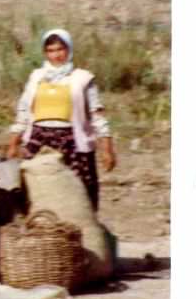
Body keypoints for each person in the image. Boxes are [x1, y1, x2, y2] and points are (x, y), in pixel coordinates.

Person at [6, 28, 117, 210]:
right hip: (38, 140)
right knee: (33, 191)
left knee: (79, 192)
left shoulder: (83, 78)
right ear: (45, 53)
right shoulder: (36, 77)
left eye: (60, 49)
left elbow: (97, 116)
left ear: (69, 50)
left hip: (72, 141)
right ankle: (43, 234)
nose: (56, 55)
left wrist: (107, 149)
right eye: (50, 50)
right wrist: (13, 144)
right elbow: (24, 111)